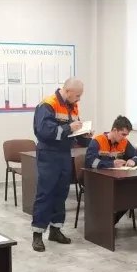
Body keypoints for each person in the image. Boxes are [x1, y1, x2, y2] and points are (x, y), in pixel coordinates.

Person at [31, 78, 91, 252]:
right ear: (68, 91)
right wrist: (69, 128)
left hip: (65, 153)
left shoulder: (73, 106)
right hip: (48, 154)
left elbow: (73, 133)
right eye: (77, 95)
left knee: (61, 193)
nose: (79, 99)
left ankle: (55, 230)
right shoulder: (48, 104)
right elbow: (44, 131)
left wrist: (85, 136)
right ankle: (37, 234)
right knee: (45, 193)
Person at [85, 115, 137, 225]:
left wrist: (133, 160)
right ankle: (104, 223)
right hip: (99, 181)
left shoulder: (124, 142)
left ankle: (110, 222)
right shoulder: (97, 141)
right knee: (118, 195)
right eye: (123, 134)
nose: (124, 137)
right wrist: (111, 164)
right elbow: (90, 162)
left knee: (131, 195)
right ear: (115, 130)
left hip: (117, 180)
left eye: (126, 135)